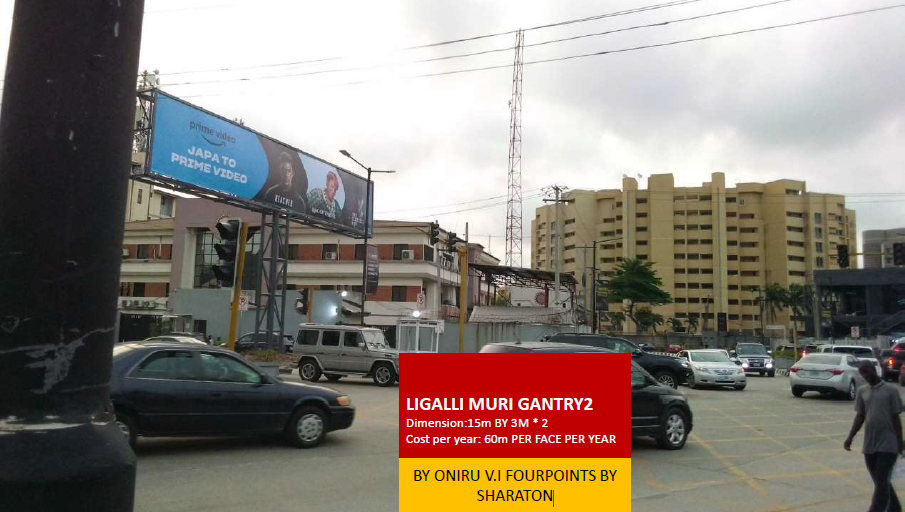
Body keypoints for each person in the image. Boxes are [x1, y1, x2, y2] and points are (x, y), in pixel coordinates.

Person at [845, 361, 903, 512]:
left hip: (888, 444)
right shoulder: (862, 391)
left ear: (874, 370)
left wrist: (900, 443)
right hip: (870, 443)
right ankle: (895, 508)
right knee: (880, 481)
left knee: (882, 480)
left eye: (867, 371)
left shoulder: (891, 391)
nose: (865, 375)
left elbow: (896, 419)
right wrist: (850, 437)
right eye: (862, 373)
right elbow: (860, 416)